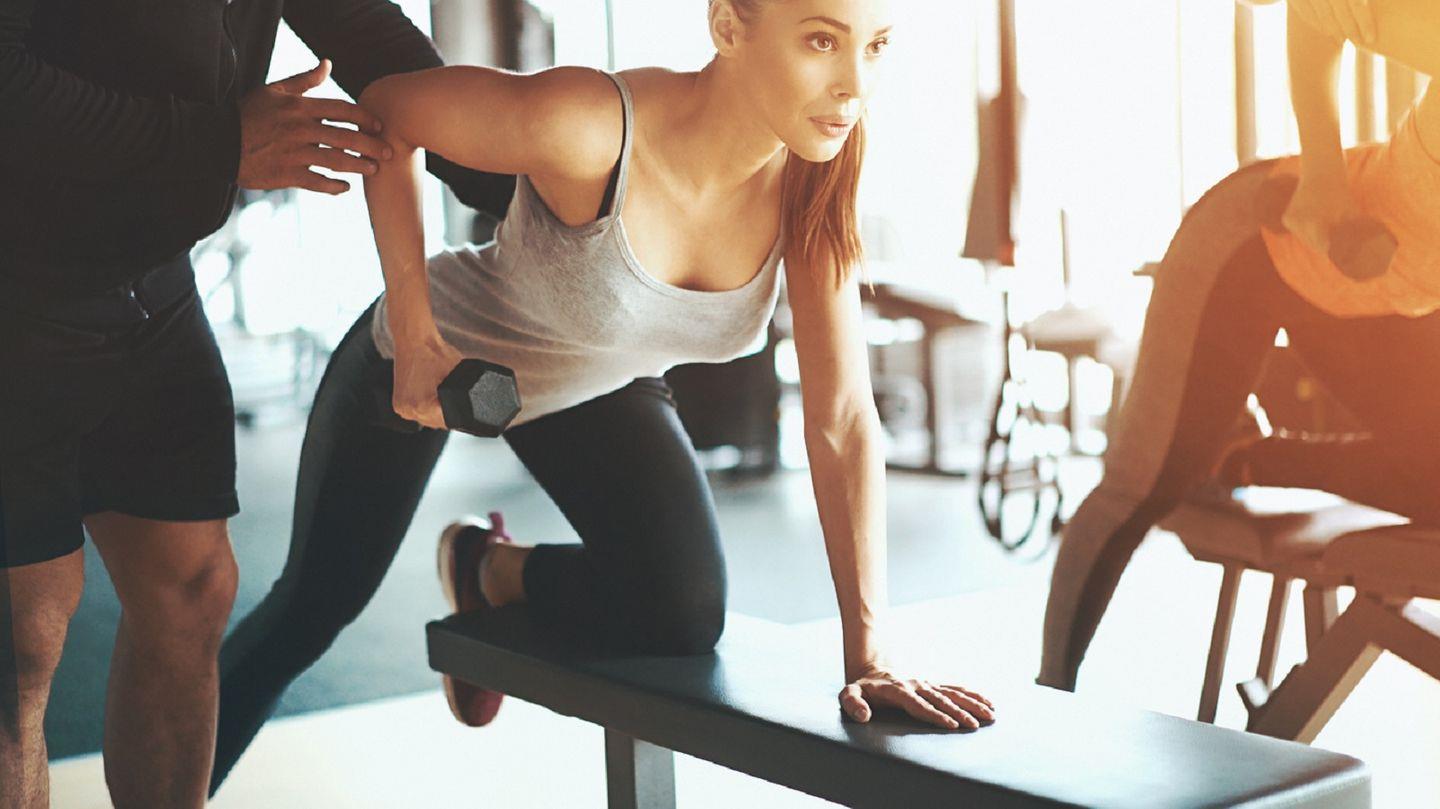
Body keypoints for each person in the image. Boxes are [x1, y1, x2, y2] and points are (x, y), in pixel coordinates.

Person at [211, 0, 998, 787]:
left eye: (876, 46)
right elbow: (391, 111)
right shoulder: (589, 125)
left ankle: (484, 567)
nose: (854, 83)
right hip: (441, 356)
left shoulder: (815, 170)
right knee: (309, 614)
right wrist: (416, 336)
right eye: (822, 41)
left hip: (599, 378)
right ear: (728, 28)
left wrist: (869, 656)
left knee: (682, 611)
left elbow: (842, 417)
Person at [0, 0, 513, 805]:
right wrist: (218, 144)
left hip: (151, 289)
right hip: (16, 293)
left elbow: (368, 36)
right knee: (24, 632)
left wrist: (543, 180)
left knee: (193, 589)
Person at [1037, 0, 1440, 692]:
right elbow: (1317, 11)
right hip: (1262, 243)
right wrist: (1322, 176)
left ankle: (1247, 455)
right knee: (1143, 485)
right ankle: (1051, 695)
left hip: (1393, 297)